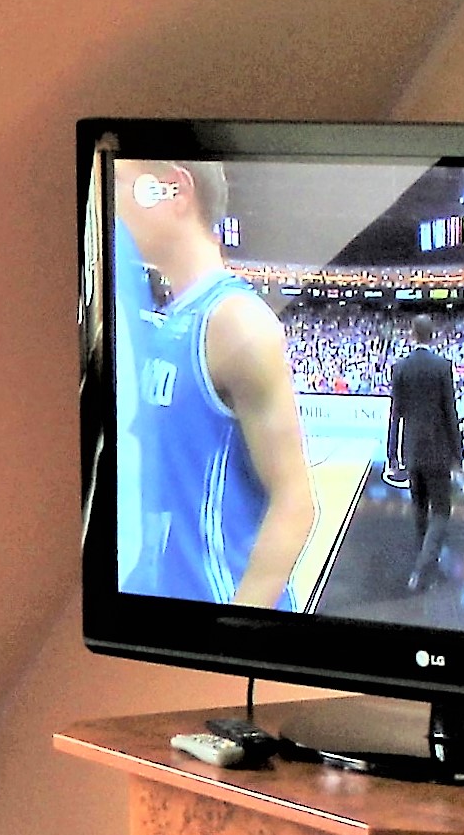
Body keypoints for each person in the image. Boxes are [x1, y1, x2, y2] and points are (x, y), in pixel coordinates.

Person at [102, 156, 315, 607]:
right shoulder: (165, 319)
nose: (111, 201)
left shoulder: (235, 322)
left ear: (175, 190)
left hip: (217, 606)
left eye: (120, 182)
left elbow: (296, 502)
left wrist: (231, 630)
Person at [383, 308, 464, 596]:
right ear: (433, 335)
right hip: (439, 450)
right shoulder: (442, 366)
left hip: (412, 451)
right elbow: (450, 412)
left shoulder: (400, 367)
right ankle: (424, 567)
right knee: (441, 511)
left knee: (419, 508)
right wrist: (458, 452)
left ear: (412, 335)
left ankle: (424, 564)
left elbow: (395, 413)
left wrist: (392, 453)